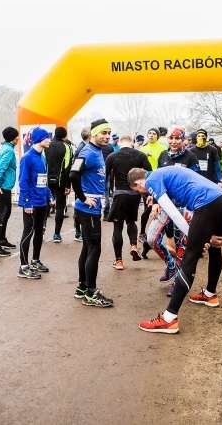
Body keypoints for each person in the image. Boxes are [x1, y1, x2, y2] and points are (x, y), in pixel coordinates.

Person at [128, 166, 222, 334]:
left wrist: (196, 238)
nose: (145, 193)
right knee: (215, 246)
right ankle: (210, 294)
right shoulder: (165, 173)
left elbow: (174, 214)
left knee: (189, 257)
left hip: (207, 202)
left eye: (139, 190)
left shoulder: (152, 179)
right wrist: (203, 237)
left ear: (138, 182)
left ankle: (169, 319)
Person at [70, 118, 114, 307]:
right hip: (88, 208)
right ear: (93, 134)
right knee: (94, 248)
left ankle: (82, 287)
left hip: (90, 208)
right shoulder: (88, 152)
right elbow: (73, 174)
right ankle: (91, 293)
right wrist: (82, 198)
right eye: (103, 133)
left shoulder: (96, 151)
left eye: (109, 133)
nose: (107, 136)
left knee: (88, 247)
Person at [105, 134, 152, 269]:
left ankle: (119, 260)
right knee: (131, 221)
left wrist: (104, 193)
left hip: (119, 193)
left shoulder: (112, 156)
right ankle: (134, 246)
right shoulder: (140, 155)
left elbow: (105, 175)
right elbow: (149, 173)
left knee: (118, 226)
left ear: (119, 143)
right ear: (132, 143)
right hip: (135, 193)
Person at [17, 127, 52, 278]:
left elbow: (43, 179)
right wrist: (26, 203)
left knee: (39, 232)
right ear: (39, 139)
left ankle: (35, 260)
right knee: (28, 232)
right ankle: (23, 266)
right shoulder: (27, 157)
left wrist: (49, 195)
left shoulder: (42, 157)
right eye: (47, 138)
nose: (49, 140)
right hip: (31, 203)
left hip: (42, 201)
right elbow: (23, 181)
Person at [0, 127, 19, 256]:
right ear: (13, 138)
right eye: (17, 136)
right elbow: (0, 167)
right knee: (2, 214)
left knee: (5, 213)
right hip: (4, 187)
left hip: (3, 186)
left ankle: (1, 239)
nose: (18, 138)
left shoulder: (3, 148)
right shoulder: (9, 151)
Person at [46, 127, 73, 243]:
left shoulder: (46, 146)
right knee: (60, 207)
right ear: (65, 135)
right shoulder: (67, 147)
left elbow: (43, 163)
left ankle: (42, 228)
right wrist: (68, 185)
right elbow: (68, 167)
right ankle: (56, 234)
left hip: (46, 180)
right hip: (61, 181)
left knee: (45, 204)